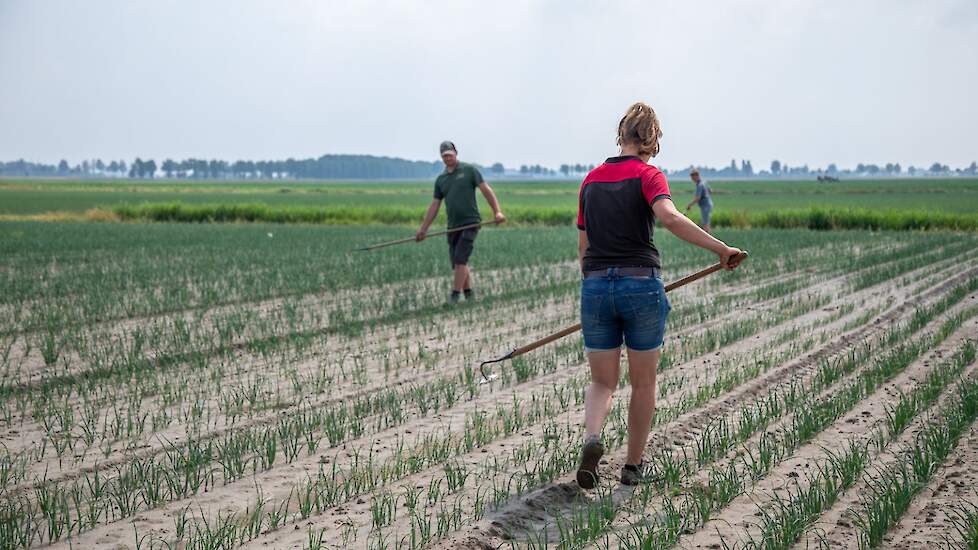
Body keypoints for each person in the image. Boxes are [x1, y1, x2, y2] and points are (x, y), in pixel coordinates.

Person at [575, 102, 743, 488]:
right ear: (652, 138)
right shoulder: (649, 175)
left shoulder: (590, 181)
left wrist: (596, 287)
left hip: (596, 286)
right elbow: (668, 217)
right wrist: (721, 249)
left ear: (621, 135)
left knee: (602, 382)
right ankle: (632, 468)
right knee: (643, 382)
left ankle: (593, 438)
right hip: (640, 284)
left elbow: (584, 248)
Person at [416, 141, 505, 303]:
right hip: (452, 226)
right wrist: (423, 229)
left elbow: (486, 190)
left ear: (455, 153)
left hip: (471, 223)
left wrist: (497, 211)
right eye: (444, 156)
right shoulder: (441, 180)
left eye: (449, 155)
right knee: (458, 263)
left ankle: (455, 295)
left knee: (460, 259)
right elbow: (435, 205)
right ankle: (469, 293)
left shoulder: (469, 171)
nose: (447, 158)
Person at [684, 168, 713, 233]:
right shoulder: (704, 182)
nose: (692, 179)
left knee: (705, 224)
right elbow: (710, 191)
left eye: (692, 177)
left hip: (705, 206)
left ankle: (707, 240)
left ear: (696, 176)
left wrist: (689, 205)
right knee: (706, 222)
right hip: (708, 204)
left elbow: (698, 198)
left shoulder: (700, 185)